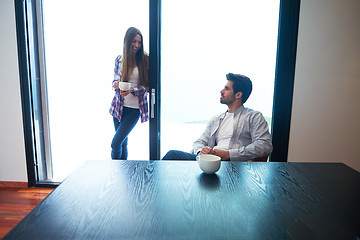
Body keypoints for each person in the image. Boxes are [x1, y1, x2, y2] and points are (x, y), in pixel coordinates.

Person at [162, 73, 273, 161]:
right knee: (172, 157)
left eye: (226, 89)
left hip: (234, 165)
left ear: (238, 94)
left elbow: (265, 145)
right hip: (210, 162)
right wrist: (201, 152)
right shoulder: (216, 119)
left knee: (172, 155)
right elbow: (199, 142)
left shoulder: (254, 116)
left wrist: (228, 154)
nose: (221, 91)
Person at [109, 27, 149, 160]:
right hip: (118, 107)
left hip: (134, 110)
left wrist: (132, 90)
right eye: (134, 41)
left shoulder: (145, 60)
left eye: (139, 42)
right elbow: (116, 79)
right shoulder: (119, 59)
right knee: (122, 143)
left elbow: (147, 86)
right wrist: (115, 84)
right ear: (127, 42)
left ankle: (114, 173)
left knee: (115, 143)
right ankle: (122, 176)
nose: (137, 45)